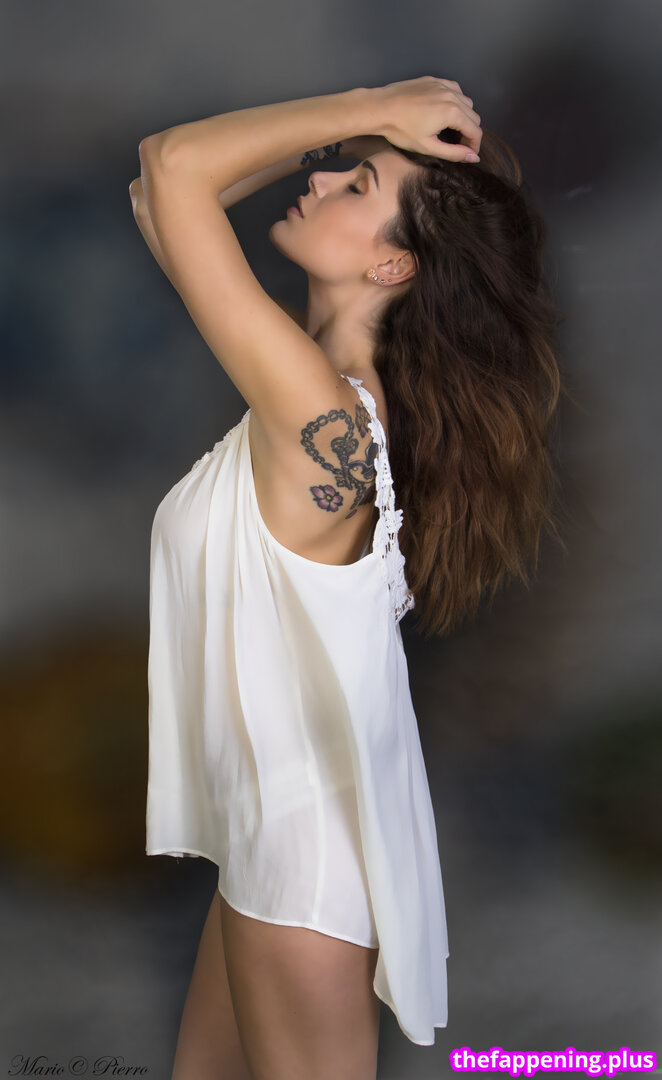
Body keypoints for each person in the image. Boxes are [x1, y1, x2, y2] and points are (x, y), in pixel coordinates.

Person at [131, 76, 565, 1079]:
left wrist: (371, 107)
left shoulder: (319, 415)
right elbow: (158, 190)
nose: (324, 178)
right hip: (272, 838)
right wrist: (367, 132)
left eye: (355, 184)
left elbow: (176, 166)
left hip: (303, 866)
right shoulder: (313, 392)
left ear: (391, 263)